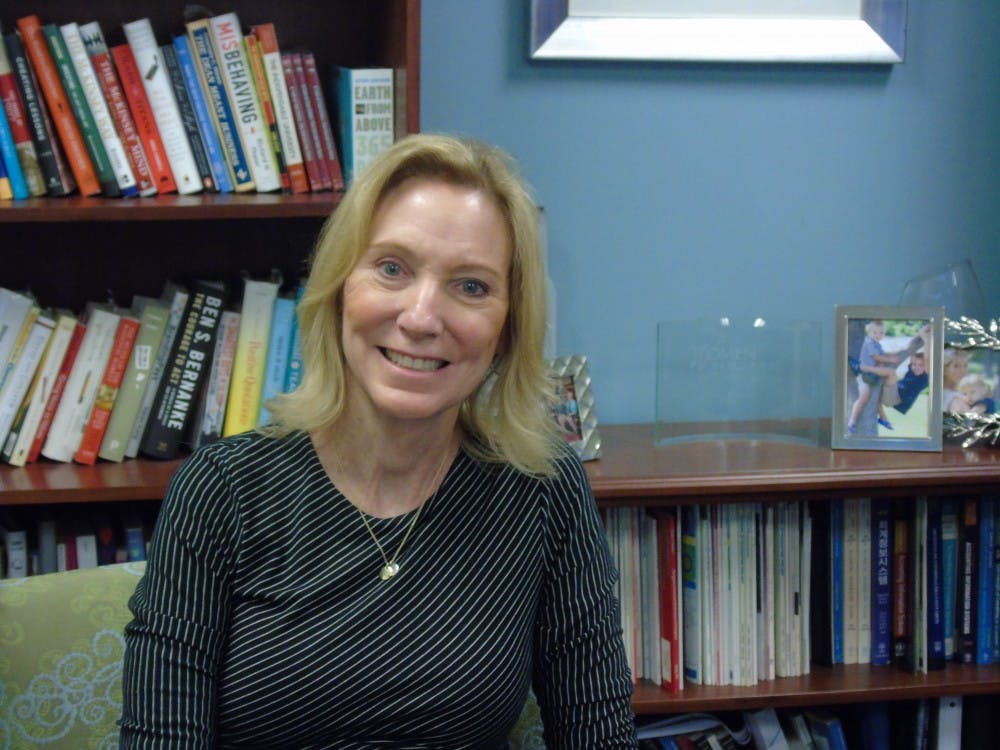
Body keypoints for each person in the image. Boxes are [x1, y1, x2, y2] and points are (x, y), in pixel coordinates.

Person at [119, 134, 638, 748]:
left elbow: (598, 735)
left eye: (470, 286)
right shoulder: (224, 489)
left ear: (506, 329)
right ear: (340, 288)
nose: (421, 318)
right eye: (392, 269)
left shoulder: (541, 491)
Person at [847, 319, 902, 432]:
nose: (878, 335)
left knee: (876, 398)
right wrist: (891, 359)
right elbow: (876, 357)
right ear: (869, 332)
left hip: (872, 374)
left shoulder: (876, 344)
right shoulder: (869, 342)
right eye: (875, 332)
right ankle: (852, 421)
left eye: (881, 333)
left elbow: (881, 356)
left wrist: (890, 357)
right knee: (863, 397)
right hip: (864, 374)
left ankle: (883, 419)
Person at [891, 351, 929, 415]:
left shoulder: (923, 379)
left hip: (900, 405)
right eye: (914, 364)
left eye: (921, 365)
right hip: (893, 396)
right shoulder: (911, 371)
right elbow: (911, 358)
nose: (917, 367)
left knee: (889, 373)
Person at [942, 347, 973, 413]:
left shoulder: (962, 395)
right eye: (956, 366)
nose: (963, 371)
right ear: (944, 369)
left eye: (965, 365)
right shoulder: (955, 400)